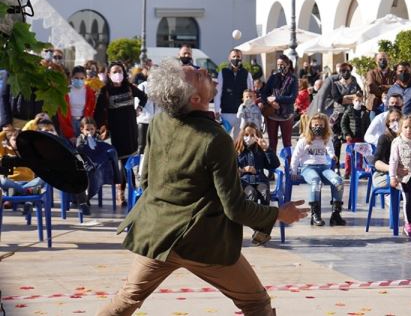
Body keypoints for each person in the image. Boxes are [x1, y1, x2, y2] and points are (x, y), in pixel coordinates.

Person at [97, 59, 307, 316]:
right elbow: (235, 207)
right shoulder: (215, 138)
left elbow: (147, 182)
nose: (204, 71)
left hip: (157, 234)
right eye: (197, 75)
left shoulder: (160, 122)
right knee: (256, 304)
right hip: (202, 241)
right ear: (195, 98)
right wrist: (277, 214)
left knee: (127, 299)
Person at [94, 62, 147, 207]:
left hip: (130, 130)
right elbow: (97, 113)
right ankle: (121, 192)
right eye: (114, 72)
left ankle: (132, 190)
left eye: (120, 71)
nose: (118, 74)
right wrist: (102, 127)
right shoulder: (105, 91)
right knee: (121, 164)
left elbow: (144, 97)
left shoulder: (129, 87)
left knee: (131, 163)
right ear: (109, 75)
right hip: (116, 132)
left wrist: (139, 108)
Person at [290, 113, 346, 227]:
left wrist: (332, 156)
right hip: (308, 168)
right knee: (316, 181)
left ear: (325, 126)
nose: (318, 127)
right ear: (310, 125)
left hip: (324, 167)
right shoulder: (304, 140)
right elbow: (295, 156)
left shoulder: (326, 139)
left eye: (321, 125)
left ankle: (336, 214)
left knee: (338, 182)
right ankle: (315, 214)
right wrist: (294, 171)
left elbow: (330, 150)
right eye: (315, 125)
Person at [234, 123, 279, 205]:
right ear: (242, 135)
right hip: (244, 182)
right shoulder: (237, 150)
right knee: (251, 194)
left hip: (260, 180)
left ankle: (265, 217)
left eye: (252, 135)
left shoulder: (260, 149)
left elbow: (274, 164)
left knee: (265, 193)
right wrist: (243, 170)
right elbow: (230, 169)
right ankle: (252, 217)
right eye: (246, 135)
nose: (249, 138)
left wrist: (266, 149)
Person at [260, 55, 298, 153]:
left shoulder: (293, 79)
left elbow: (292, 98)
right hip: (272, 114)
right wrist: (270, 102)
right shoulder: (273, 77)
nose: (280, 66)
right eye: (278, 64)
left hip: (286, 114)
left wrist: (276, 98)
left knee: (287, 143)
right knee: (272, 142)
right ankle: (272, 166)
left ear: (288, 65)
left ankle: (288, 166)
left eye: (282, 64)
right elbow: (264, 93)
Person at [215, 49, 253, 138]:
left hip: (242, 114)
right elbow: (218, 93)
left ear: (241, 58)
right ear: (229, 58)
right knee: (224, 139)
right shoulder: (223, 73)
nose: (236, 58)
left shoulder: (247, 74)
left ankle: (237, 152)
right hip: (226, 113)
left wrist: (250, 110)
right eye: (234, 56)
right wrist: (217, 110)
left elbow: (250, 94)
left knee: (238, 139)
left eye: (238, 57)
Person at [330, 63, 361, 168]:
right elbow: (338, 99)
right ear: (340, 72)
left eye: (348, 70)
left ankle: (351, 167)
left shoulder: (355, 82)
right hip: (338, 114)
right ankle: (336, 165)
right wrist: (352, 97)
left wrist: (346, 97)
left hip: (351, 114)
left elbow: (360, 95)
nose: (346, 72)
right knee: (336, 140)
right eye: (343, 70)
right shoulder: (335, 84)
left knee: (351, 139)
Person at [57, 66, 97, 143]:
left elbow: (91, 110)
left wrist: (87, 127)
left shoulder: (89, 92)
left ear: (85, 78)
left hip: (84, 122)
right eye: (76, 78)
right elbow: (61, 114)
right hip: (68, 123)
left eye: (82, 78)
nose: (79, 80)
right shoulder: (65, 91)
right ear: (72, 78)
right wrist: (70, 134)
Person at [341, 92, 370, 178]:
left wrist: (366, 136)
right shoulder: (349, 111)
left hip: (361, 137)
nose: (358, 102)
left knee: (360, 155)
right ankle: (347, 172)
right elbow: (343, 123)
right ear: (353, 101)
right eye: (356, 100)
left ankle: (359, 171)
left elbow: (367, 125)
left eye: (360, 101)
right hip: (351, 137)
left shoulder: (364, 112)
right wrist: (346, 134)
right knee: (349, 155)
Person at [365, 52, 395, 121]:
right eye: (380, 59)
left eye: (384, 59)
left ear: (388, 60)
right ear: (376, 62)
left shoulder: (394, 74)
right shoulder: (371, 73)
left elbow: (396, 87)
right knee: (374, 129)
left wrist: (382, 87)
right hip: (375, 106)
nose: (382, 61)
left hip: (390, 106)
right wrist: (383, 93)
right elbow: (371, 87)